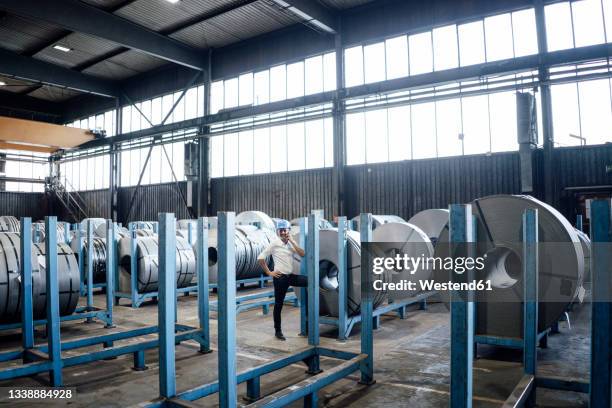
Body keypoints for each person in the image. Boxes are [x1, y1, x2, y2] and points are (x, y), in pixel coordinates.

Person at [257, 219, 306, 341]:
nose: (283, 232)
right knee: (279, 304)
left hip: (290, 276)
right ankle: (278, 331)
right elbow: (260, 258)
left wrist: (293, 241)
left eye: (285, 230)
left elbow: (303, 254)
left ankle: (311, 319)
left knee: (310, 281)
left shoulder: (290, 243)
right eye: (281, 230)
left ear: (289, 230)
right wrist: (269, 272)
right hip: (280, 278)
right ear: (278, 231)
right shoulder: (274, 243)